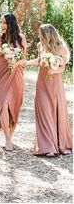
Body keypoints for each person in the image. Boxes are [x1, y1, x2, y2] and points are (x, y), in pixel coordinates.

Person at [25, 23, 72, 157]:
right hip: (42, 83)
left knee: (55, 111)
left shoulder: (61, 48)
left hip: (55, 83)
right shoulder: (41, 46)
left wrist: (54, 70)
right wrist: (26, 63)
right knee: (44, 111)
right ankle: (48, 147)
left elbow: (63, 68)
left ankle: (60, 144)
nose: (40, 37)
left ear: (47, 34)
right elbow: (39, 61)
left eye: (41, 34)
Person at [0, 13, 27, 151]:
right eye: (1, 22)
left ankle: (11, 131)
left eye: (5, 23)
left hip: (16, 74)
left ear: (11, 25)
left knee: (15, 104)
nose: (2, 25)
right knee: (4, 103)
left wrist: (15, 61)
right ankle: (7, 138)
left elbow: (24, 61)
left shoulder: (20, 39)